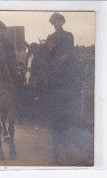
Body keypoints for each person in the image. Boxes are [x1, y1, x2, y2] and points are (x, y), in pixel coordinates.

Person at [45, 13, 80, 164]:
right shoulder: (50, 37)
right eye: (54, 22)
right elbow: (47, 57)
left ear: (62, 22)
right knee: (54, 117)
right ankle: (55, 151)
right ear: (52, 23)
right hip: (54, 78)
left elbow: (71, 52)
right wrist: (52, 54)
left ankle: (66, 149)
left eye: (58, 21)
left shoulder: (69, 35)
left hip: (66, 76)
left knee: (66, 117)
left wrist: (66, 57)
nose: (56, 24)